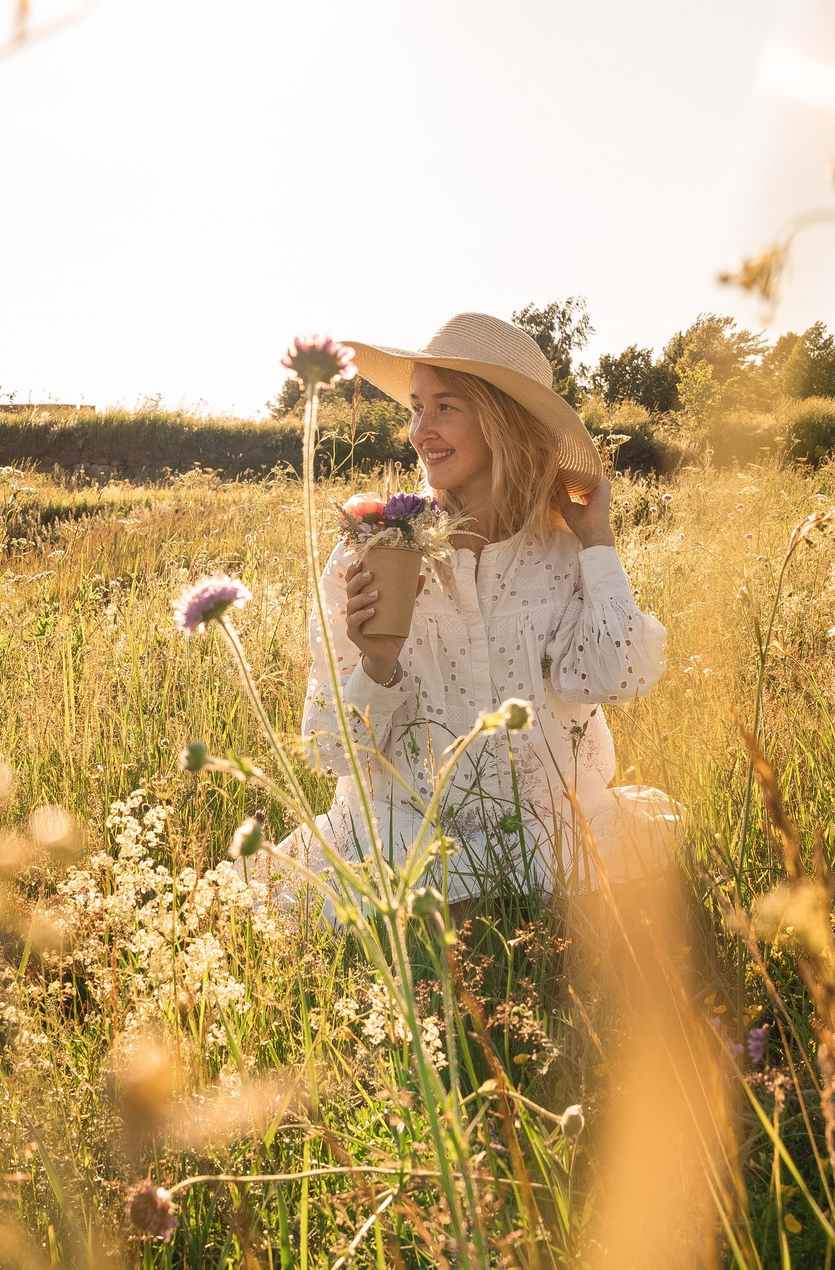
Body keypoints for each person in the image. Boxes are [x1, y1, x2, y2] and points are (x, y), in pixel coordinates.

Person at [271, 312, 677, 914]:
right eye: (416, 408)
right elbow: (328, 751)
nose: (420, 430)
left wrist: (598, 541)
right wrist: (377, 664)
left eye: (445, 407)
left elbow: (621, 678)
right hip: (409, 835)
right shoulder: (372, 555)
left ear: (502, 423)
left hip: (552, 831)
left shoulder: (565, 553)